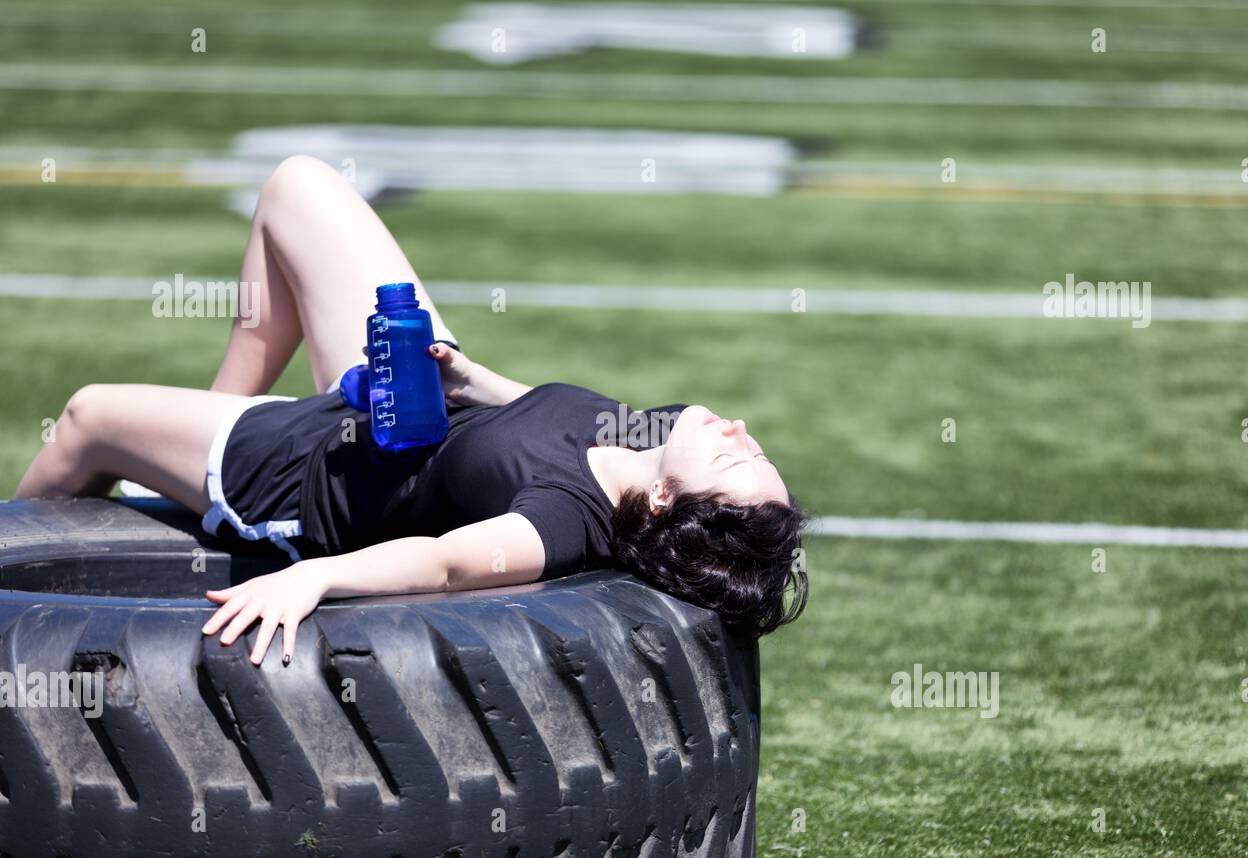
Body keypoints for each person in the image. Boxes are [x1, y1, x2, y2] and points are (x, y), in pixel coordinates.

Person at [15, 156, 808, 666]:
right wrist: (472, 378)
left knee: (86, 419)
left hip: (308, 469)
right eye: (755, 447)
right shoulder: (659, 436)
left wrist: (315, 581)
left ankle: (14, 599)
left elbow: (444, 564)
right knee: (297, 187)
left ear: (666, 501)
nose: (736, 432)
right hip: (411, 397)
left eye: (732, 459)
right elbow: (548, 415)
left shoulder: (560, 521)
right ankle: (213, 414)